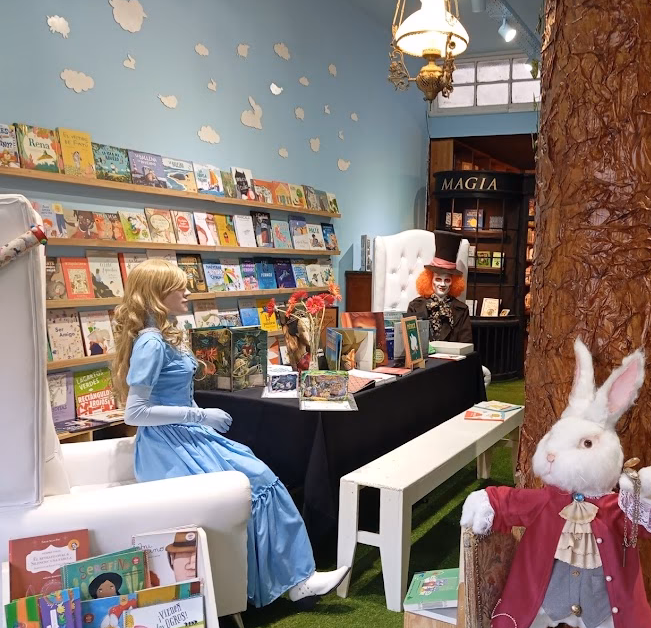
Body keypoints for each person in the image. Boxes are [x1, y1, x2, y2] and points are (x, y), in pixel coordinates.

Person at [112, 259, 349, 608]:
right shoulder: (151, 342)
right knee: (257, 480)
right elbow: (135, 412)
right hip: (168, 446)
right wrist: (200, 416)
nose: (187, 293)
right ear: (157, 294)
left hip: (184, 437)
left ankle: (296, 578)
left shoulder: (162, 335)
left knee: (260, 476)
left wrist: (198, 415)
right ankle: (295, 580)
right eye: (179, 288)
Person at [406, 231, 473, 342]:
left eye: (447, 280)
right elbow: (410, 342)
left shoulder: (461, 310)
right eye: (438, 279)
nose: (442, 284)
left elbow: (466, 343)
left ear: (453, 283)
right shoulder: (415, 306)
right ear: (430, 280)